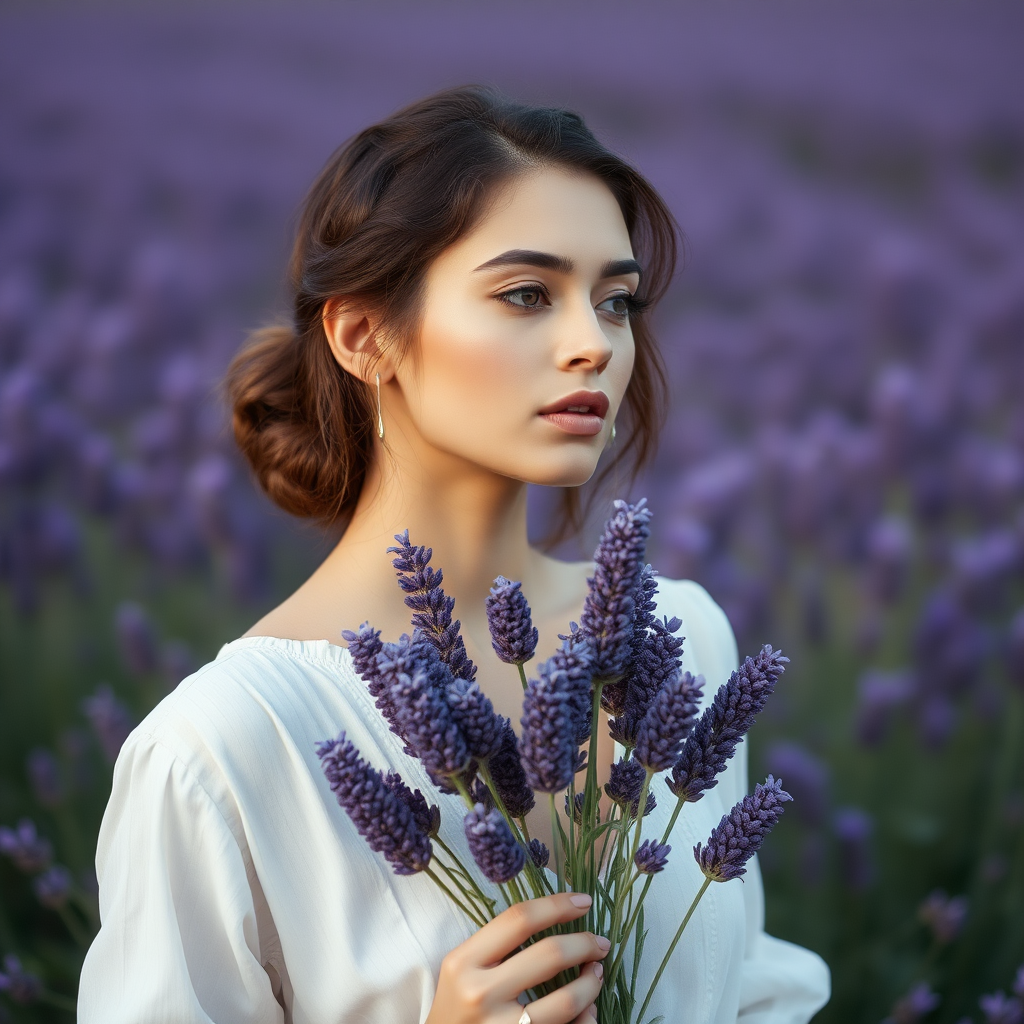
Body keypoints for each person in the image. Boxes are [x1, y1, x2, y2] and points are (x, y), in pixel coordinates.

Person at [78, 86, 830, 1023]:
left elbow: (746, 994)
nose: (592, 344)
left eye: (617, 301)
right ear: (365, 337)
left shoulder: (680, 644)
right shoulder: (221, 751)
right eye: (526, 294)